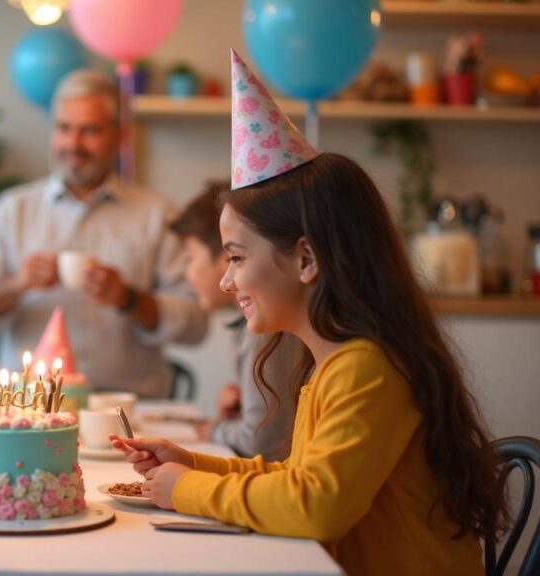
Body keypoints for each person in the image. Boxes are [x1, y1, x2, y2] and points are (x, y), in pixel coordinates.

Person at [111, 51, 506, 575]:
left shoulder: (367, 367)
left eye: (236, 257)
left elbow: (315, 507)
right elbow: (295, 477)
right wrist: (192, 463)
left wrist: (187, 489)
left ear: (305, 258)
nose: (227, 280)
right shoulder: (335, 364)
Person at [0, 69, 206, 397]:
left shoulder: (157, 213)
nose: (73, 143)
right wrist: (16, 284)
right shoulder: (13, 209)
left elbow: (196, 324)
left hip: (127, 412)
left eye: (90, 131)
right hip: (28, 409)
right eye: (64, 128)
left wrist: (128, 298)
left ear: (119, 137)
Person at [170, 180, 303, 460]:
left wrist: (215, 429)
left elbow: (262, 440)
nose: (187, 274)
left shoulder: (267, 328)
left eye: (190, 258)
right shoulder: (253, 326)